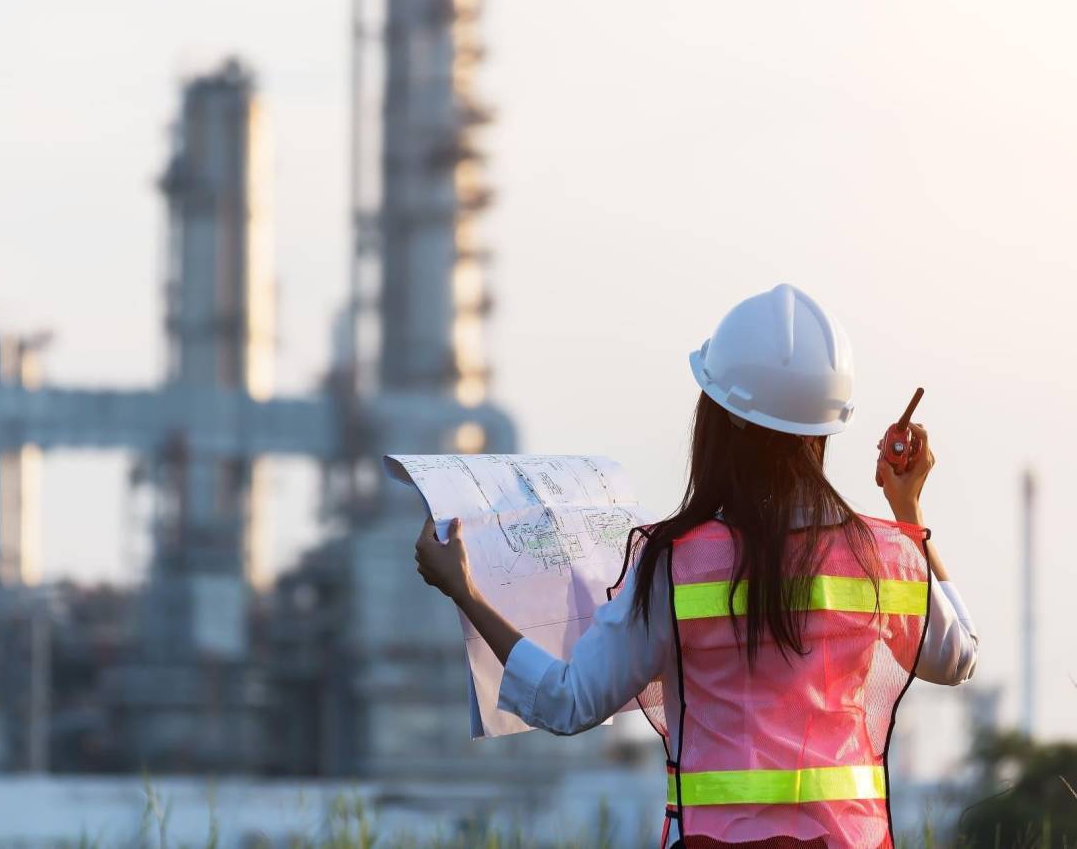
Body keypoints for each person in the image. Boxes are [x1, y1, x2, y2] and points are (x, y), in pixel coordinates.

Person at [413, 284, 978, 848]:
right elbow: (957, 657)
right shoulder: (882, 556)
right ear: (827, 428)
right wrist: (907, 510)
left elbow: (567, 700)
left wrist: (465, 590)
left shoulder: (675, 564)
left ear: (724, 418)